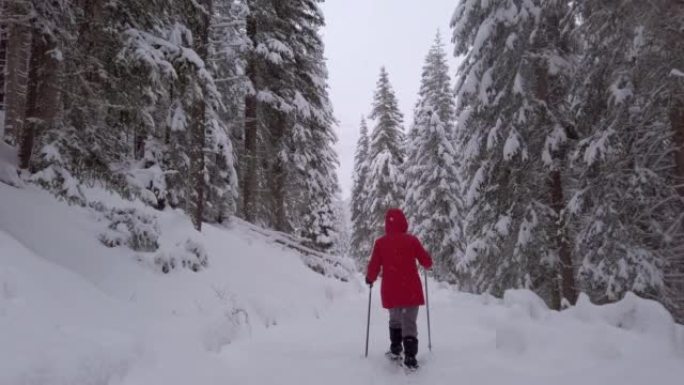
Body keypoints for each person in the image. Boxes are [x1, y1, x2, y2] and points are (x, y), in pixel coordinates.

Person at [365, 208, 433, 369]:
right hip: (410, 290)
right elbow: (426, 262)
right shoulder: (412, 240)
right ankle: (410, 357)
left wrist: (370, 278)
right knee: (409, 322)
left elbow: (374, 265)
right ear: (404, 222)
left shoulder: (381, 243)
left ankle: (396, 349)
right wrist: (428, 262)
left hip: (391, 291)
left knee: (395, 320)